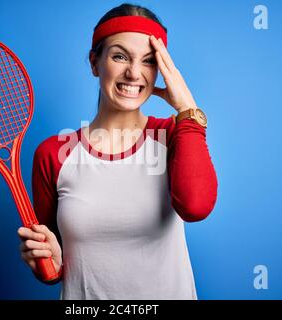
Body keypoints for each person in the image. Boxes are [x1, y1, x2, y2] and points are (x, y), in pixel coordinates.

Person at [17, 3, 218, 299]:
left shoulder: (175, 133)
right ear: (94, 62)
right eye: (120, 56)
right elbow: (54, 263)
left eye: (149, 61)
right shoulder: (53, 154)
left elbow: (196, 206)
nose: (134, 73)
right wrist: (47, 264)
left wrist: (187, 109)